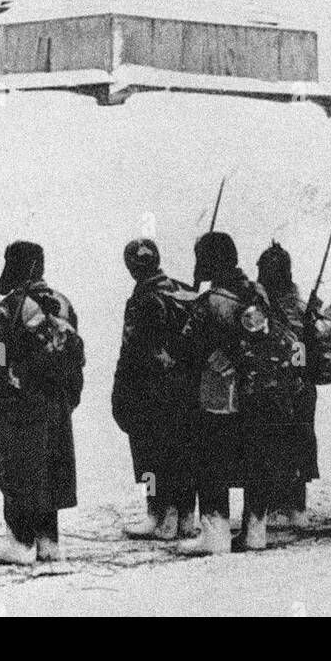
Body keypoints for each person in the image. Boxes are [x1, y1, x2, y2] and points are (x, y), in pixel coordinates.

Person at [0, 240, 84, 566]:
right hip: (57, 400)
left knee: (18, 468)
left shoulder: (10, 306)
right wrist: (70, 396)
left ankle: (20, 542)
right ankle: (50, 543)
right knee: (49, 467)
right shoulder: (63, 303)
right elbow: (77, 358)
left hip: (18, 401)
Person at [184, 231, 272, 554]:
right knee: (254, 461)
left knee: (211, 461)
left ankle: (215, 533)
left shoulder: (209, 303)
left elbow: (188, 346)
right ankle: (255, 530)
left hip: (219, 397)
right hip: (259, 394)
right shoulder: (256, 293)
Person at [111, 238, 198, 540]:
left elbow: (133, 349)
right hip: (185, 385)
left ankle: (158, 514)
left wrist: (120, 388)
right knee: (183, 450)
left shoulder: (143, 298)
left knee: (149, 456)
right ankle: (185, 515)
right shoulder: (184, 290)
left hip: (149, 388)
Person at [255, 242, 319, 531]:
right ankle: (297, 507)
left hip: (276, 385)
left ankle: (277, 507)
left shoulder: (265, 308)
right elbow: (306, 348)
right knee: (299, 441)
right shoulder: (303, 306)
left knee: (273, 445)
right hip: (302, 386)